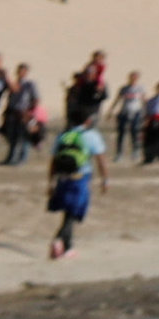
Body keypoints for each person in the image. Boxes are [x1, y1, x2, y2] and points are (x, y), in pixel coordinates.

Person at [47, 111, 106, 260]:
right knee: (73, 212)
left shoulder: (64, 135)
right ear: (87, 120)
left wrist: (51, 182)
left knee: (67, 212)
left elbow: (53, 161)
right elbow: (101, 160)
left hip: (62, 178)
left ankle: (68, 247)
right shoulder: (92, 135)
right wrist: (105, 180)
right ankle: (59, 240)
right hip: (80, 178)